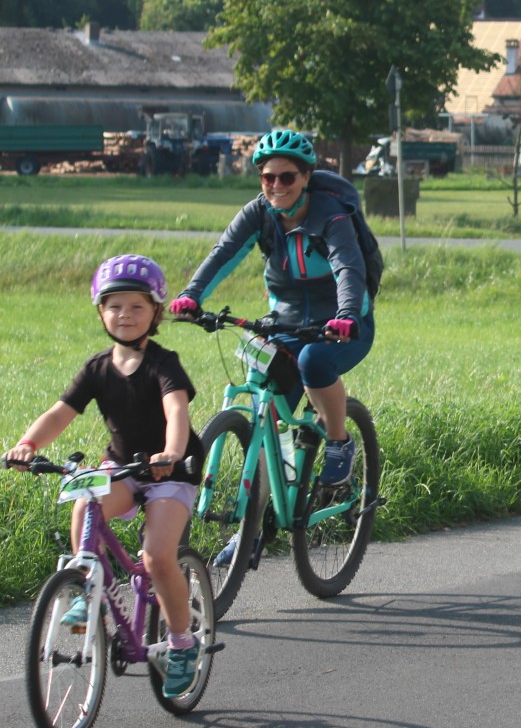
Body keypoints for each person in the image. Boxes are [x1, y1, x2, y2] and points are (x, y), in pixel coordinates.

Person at [6, 255, 206, 698]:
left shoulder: (164, 364)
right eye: (114, 306)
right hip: (123, 466)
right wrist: (27, 445)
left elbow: (176, 410)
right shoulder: (97, 367)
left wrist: (171, 452)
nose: (125, 315)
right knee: (86, 506)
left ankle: (181, 643)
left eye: (136, 307)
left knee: (157, 556)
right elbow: (60, 413)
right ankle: (87, 591)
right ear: (100, 312)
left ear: (156, 312)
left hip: (170, 471)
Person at [169, 129, 374, 486]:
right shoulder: (258, 213)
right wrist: (192, 295)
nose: (277, 185)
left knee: (313, 361)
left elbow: (347, 268)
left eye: (287, 177)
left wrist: (346, 315)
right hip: (286, 322)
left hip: (343, 323)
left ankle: (339, 441)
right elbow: (224, 253)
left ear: (306, 177)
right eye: (268, 177)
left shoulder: (332, 215)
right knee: (265, 405)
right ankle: (264, 510)